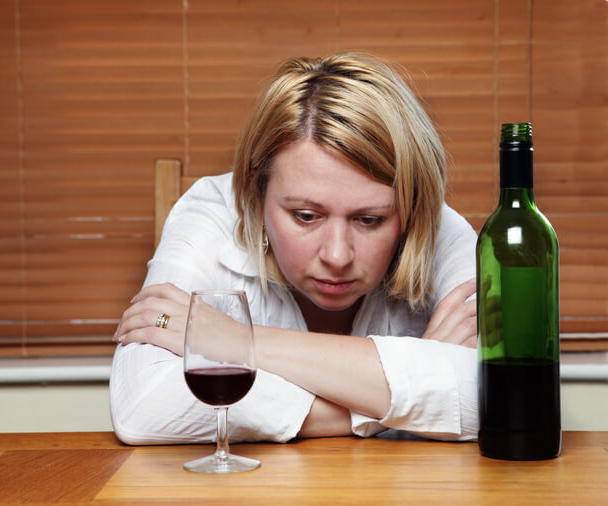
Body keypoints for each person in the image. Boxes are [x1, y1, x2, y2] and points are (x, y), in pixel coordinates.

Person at [110, 52, 478, 444]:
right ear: (256, 192)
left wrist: (237, 341)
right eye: (306, 216)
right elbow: (143, 407)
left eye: (370, 220)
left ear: (411, 207)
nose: (337, 256)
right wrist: (406, 392)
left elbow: (497, 396)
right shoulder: (211, 213)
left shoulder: (438, 226)